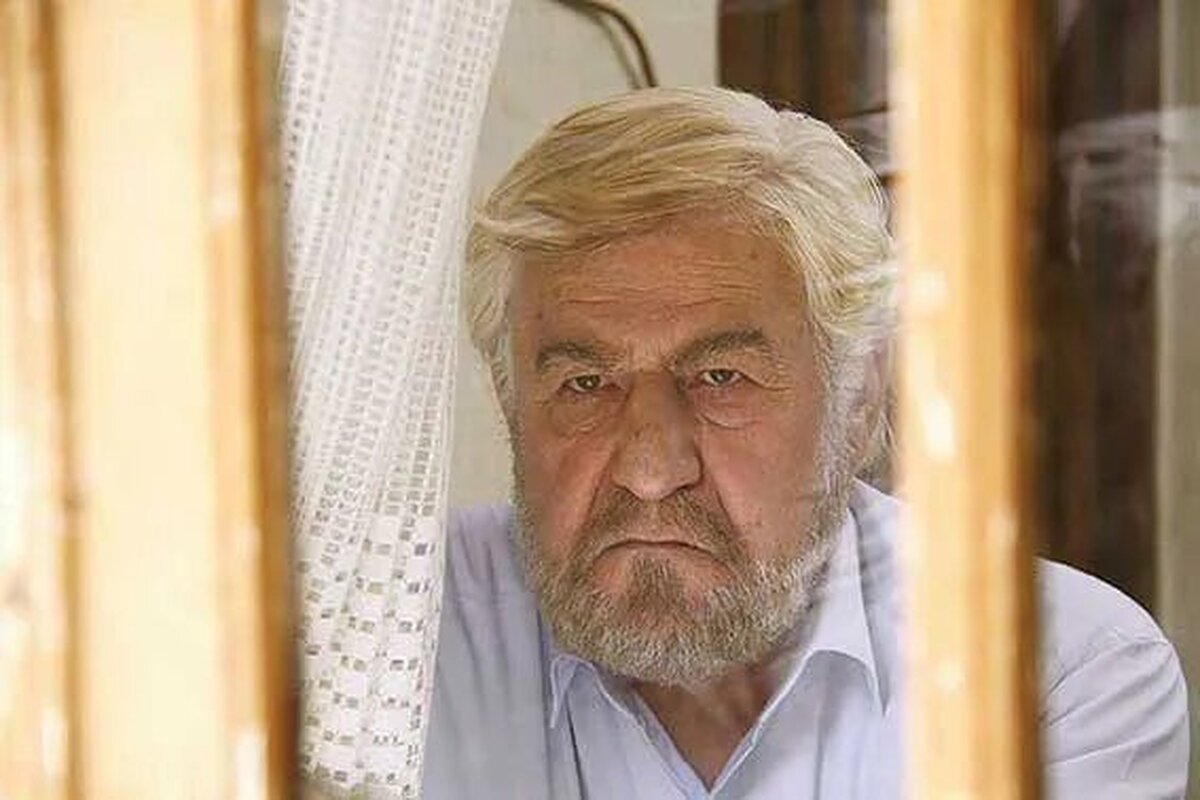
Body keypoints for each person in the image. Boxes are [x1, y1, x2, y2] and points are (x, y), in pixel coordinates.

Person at [422, 87, 1189, 799]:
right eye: (585, 384)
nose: (651, 470)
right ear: (509, 403)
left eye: (720, 377)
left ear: (859, 399)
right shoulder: (398, 634)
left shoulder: (1057, 673)